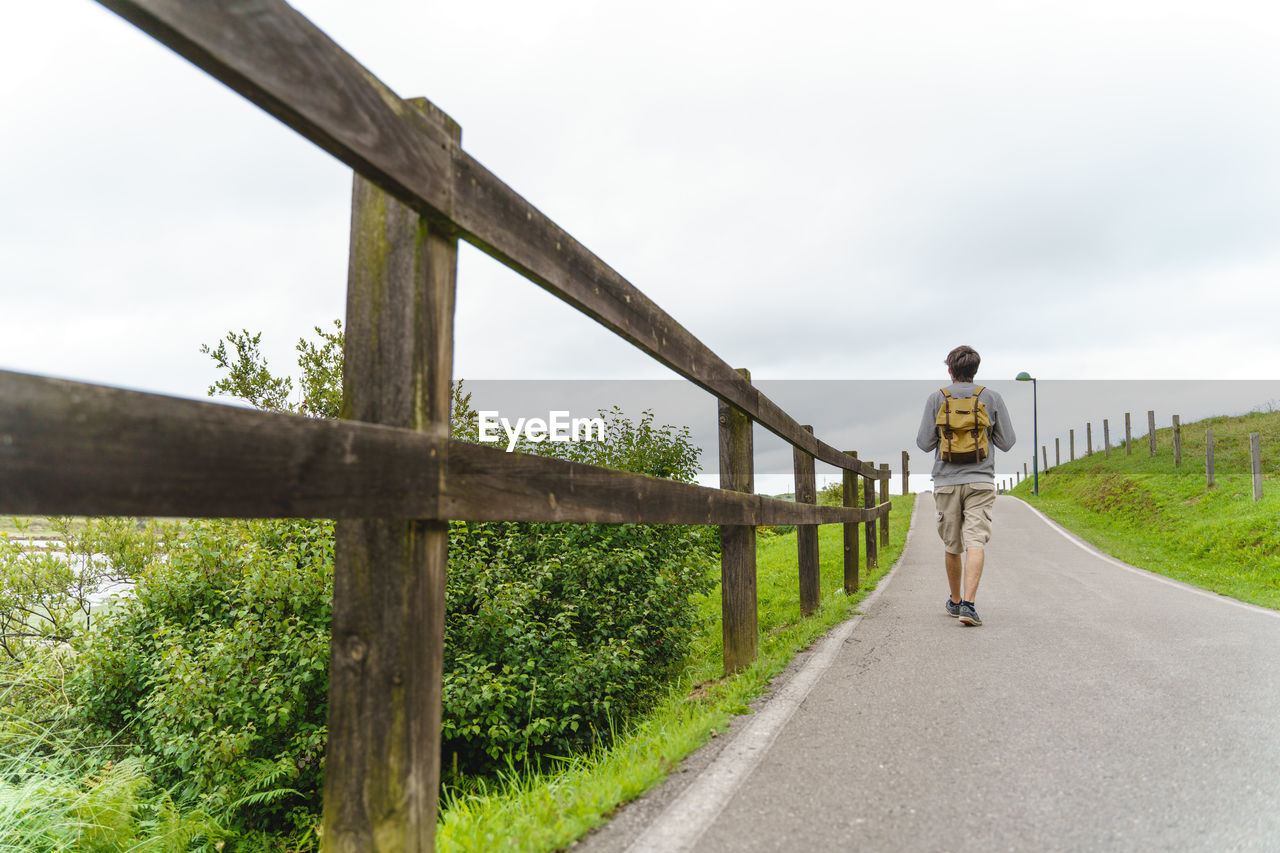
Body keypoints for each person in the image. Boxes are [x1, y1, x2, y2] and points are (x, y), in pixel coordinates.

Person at [915, 345, 1015, 626]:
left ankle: (956, 601)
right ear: (975, 371)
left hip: (947, 482)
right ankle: (969, 606)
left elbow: (924, 443)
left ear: (950, 370)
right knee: (975, 541)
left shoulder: (937, 398)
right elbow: (1007, 443)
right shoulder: (991, 398)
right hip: (981, 480)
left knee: (952, 544)